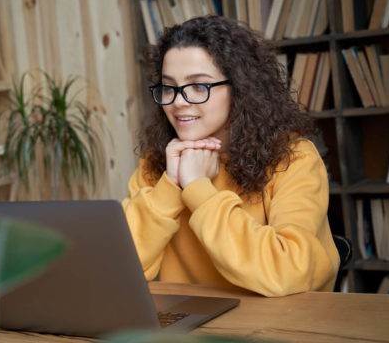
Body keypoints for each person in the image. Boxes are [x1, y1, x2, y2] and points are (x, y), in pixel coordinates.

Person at [121, 15, 340, 297]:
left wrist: (198, 189)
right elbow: (121, 269)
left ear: (240, 89)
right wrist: (171, 185)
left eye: (199, 86)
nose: (177, 101)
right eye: (168, 87)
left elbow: (288, 271)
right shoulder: (157, 165)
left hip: (276, 326)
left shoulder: (294, 159)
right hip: (189, 329)